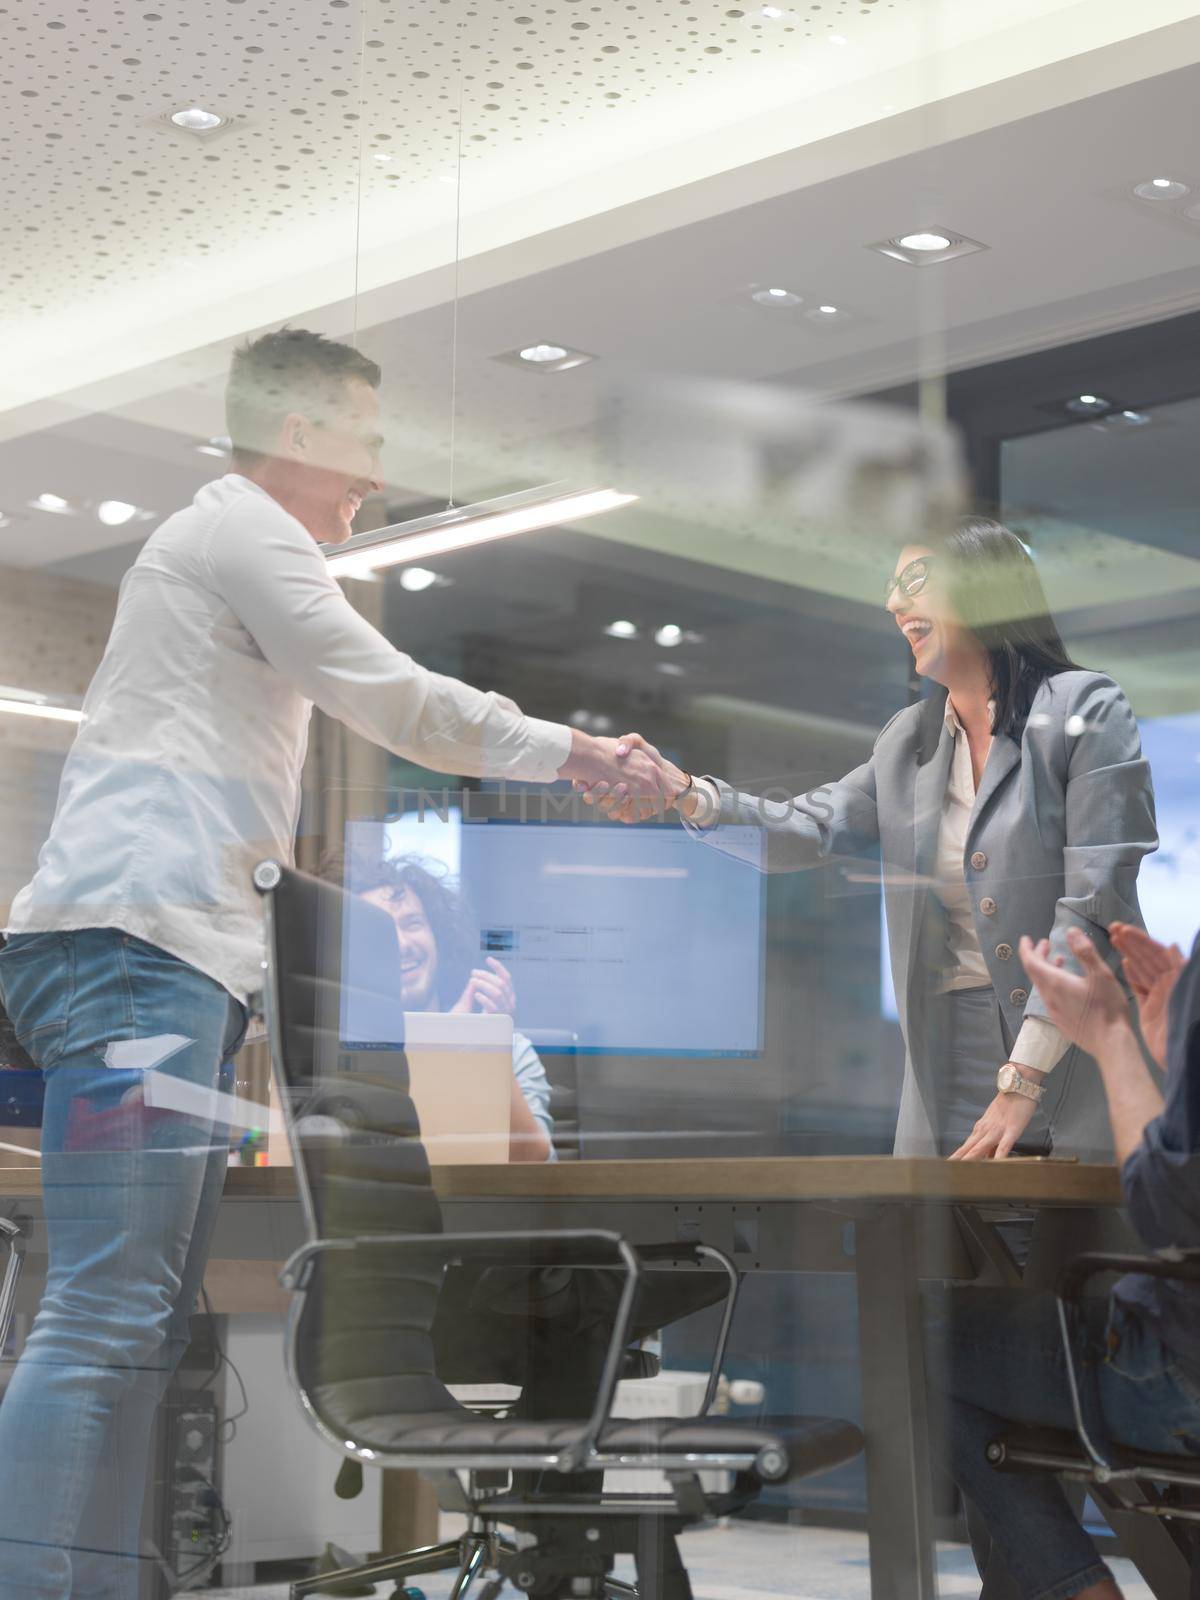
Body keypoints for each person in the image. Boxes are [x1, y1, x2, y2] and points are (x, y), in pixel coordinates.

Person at [0, 326, 676, 1598]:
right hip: (130, 958)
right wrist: (575, 754)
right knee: (102, 1318)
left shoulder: (231, 550)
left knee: (138, 1329)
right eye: (364, 439)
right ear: (299, 431)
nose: (376, 472)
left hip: (158, 960)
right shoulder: (243, 527)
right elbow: (393, 695)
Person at [584, 517, 1158, 1161]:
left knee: (1070, 1253)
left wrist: (1024, 1073)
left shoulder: (1085, 709)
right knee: (951, 1258)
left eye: (915, 581)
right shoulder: (907, 741)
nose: (894, 604)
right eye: (891, 588)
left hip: (1072, 1048)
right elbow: (806, 830)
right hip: (946, 1055)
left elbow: (1094, 900)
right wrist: (683, 788)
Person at [923, 918, 1200, 1600]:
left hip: (1179, 1376)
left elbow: (1170, 1212)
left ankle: (1075, 1589)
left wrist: (1114, 1042)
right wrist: (1177, 1051)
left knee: (918, 1341)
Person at [331, 848, 557, 1162]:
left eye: (412, 924)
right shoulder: (341, 1052)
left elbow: (534, 1163)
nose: (402, 945)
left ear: (438, 936)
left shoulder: (513, 1050)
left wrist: (482, 1046)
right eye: (379, 931)